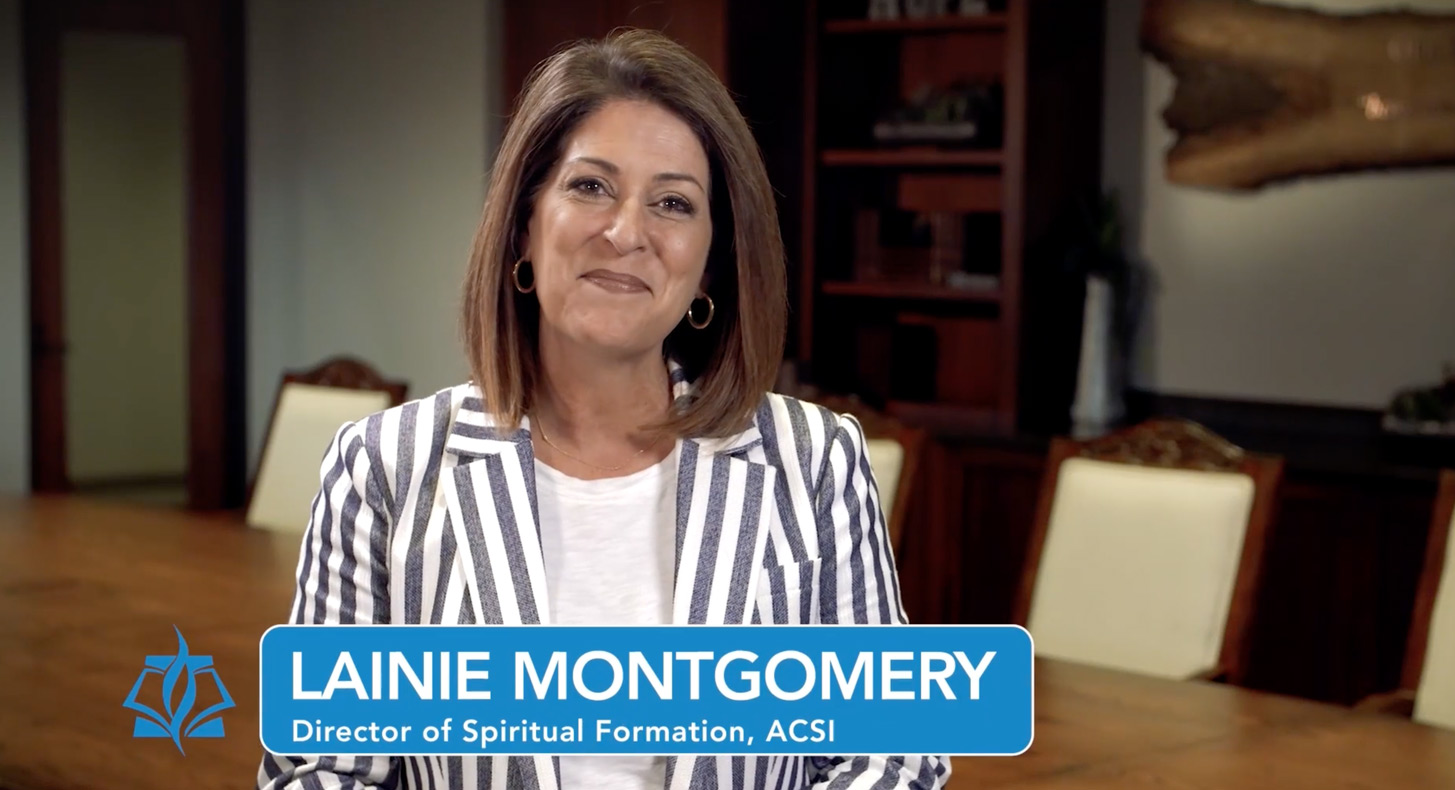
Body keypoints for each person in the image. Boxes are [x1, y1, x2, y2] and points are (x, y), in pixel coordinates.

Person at [257, 29, 950, 790]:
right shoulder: (384, 470)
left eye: (673, 203)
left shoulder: (815, 464)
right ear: (525, 225)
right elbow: (318, 769)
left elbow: (892, 755)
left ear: (709, 262)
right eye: (590, 187)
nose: (627, 233)